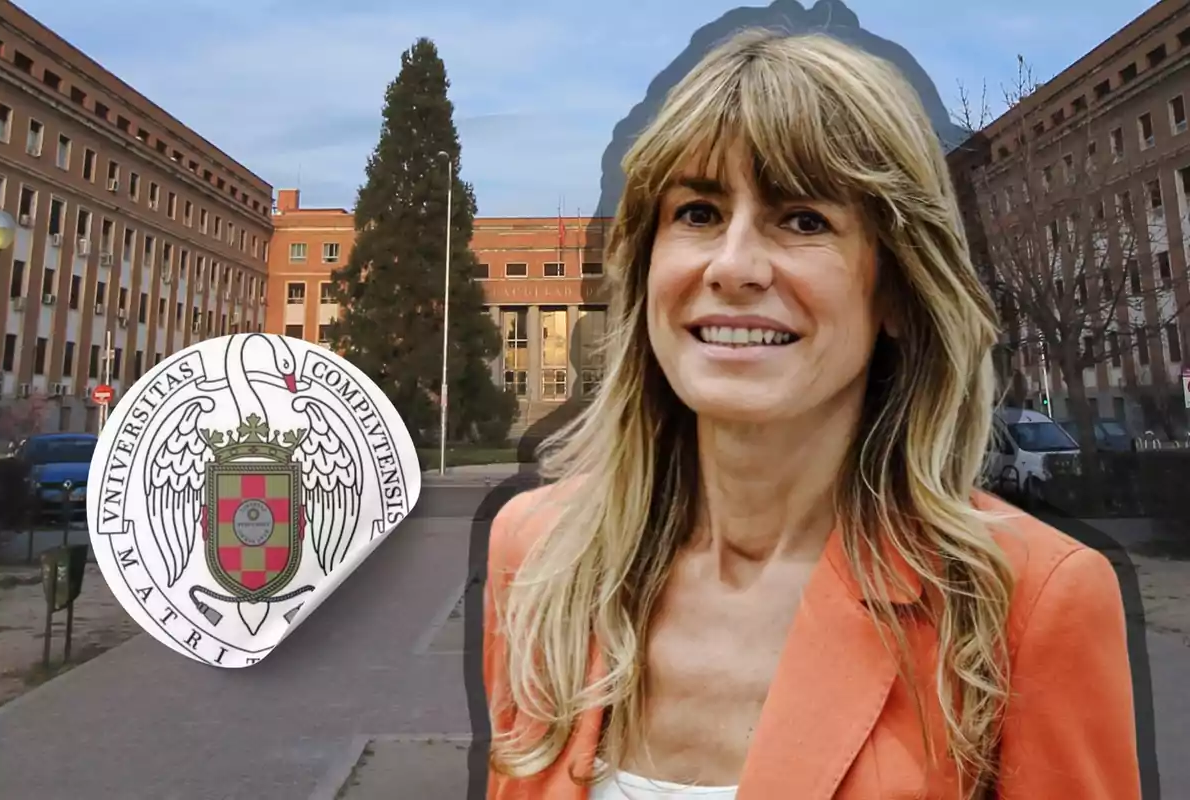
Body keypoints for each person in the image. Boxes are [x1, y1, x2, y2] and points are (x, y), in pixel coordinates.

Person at [481, 29, 1140, 800]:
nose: (732, 266)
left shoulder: (1026, 604)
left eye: (803, 220)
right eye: (696, 211)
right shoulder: (539, 557)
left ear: (893, 288)